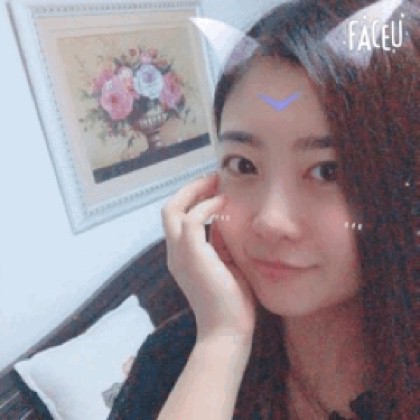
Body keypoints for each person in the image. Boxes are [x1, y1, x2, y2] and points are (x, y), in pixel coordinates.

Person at [108, 0, 419, 418]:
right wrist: (221, 342)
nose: (271, 220)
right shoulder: (171, 363)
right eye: (244, 166)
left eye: (327, 171)